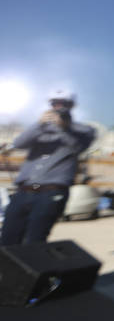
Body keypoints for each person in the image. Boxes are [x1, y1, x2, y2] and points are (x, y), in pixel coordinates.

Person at [0, 89, 96, 245]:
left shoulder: (84, 130)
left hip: (51, 192)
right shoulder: (40, 127)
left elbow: (76, 147)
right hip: (24, 190)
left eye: (63, 103)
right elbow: (18, 143)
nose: (58, 106)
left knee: (35, 240)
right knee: (8, 237)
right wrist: (38, 125)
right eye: (54, 103)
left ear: (71, 106)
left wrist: (62, 128)